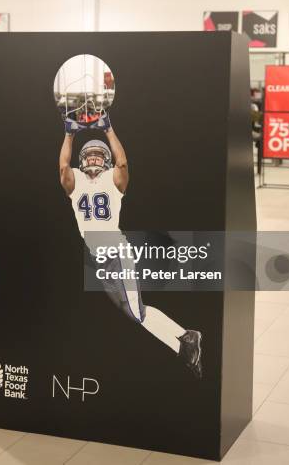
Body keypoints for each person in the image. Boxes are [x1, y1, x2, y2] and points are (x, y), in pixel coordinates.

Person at [59, 113, 202, 377]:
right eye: (89, 155)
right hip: (99, 257)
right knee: (134, 312)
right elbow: (63, 168)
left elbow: (123, 163)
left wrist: (109, 131)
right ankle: (184, 345)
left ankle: (186, 336)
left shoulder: (112, 181)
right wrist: (69, 134)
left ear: (106, 161)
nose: (93, 158)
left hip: (116, 253)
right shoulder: (76, 182)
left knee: (136, 312)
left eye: (98, 155)